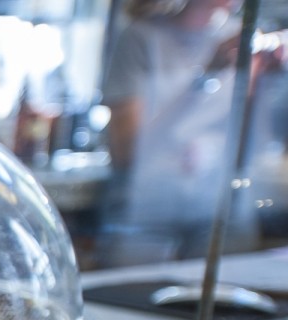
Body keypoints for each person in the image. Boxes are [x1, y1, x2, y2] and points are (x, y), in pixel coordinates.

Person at [98, 0, 285, 266]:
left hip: (220, 214)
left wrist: (272, 82)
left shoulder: (248, 39)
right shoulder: (141, 37)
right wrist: (207, 76)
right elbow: (127, 150)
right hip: (145, 217)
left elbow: (259, 146)